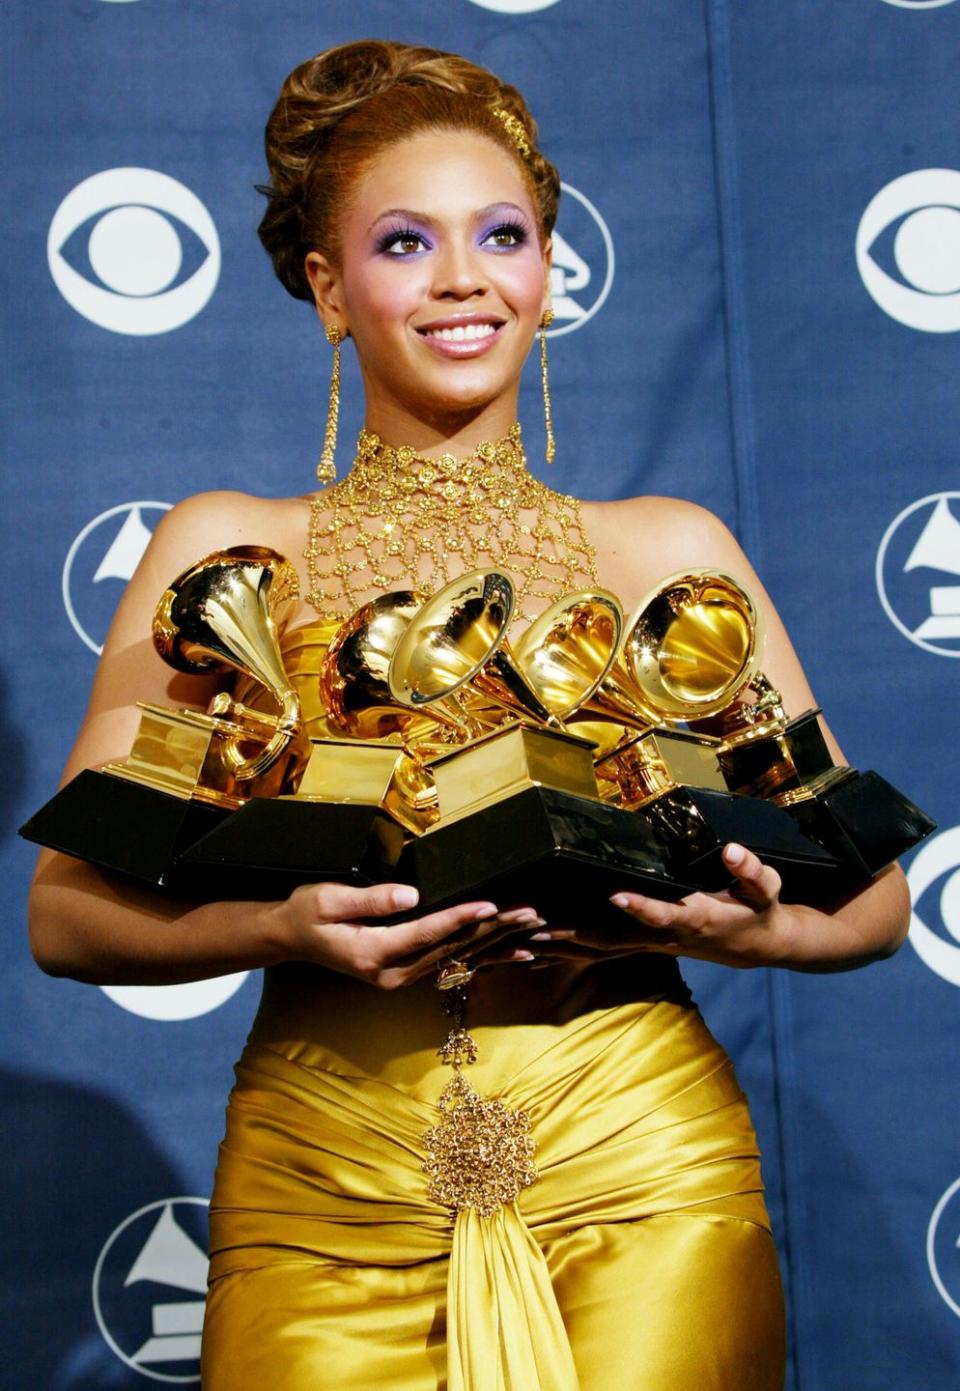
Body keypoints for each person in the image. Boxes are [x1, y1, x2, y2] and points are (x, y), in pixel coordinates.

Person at [29, 39, 910, 1391]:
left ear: (546, 272)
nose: (462, 279)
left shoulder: (667, 551)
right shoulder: (230, 553)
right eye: (403, 242)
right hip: (323, 1176)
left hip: (639, 1161)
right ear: (327, 289)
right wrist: (279, 926)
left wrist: (755, 928)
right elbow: (66, 914)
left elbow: (877, 901)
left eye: (502, 235)